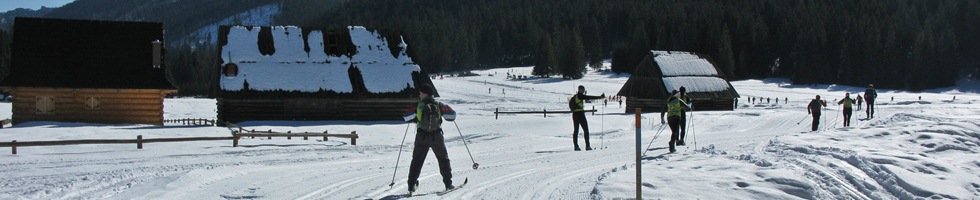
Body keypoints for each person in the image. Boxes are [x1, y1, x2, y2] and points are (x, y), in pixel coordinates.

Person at [403, 84, 457, 193]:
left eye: (421, 93)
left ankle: (411, 186)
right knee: (443, 159)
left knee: (417, 161)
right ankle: (448, 184)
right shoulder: (439, 105)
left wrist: (417, 119)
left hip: (421, 137)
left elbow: (406, 118)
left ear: (425, 93)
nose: (419, 95)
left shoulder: (418, 105)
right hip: (436, 136)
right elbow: (452, 116)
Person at [570, 85, 604, 151]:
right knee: (586, 130)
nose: (583, 91)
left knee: (576, 130)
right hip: (580, 114)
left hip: (575, 114)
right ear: (580, 90)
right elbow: (589, 97)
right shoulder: (580, 96)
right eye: (582, 90)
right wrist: (599, 97)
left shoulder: (575, 96)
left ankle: (576, 146)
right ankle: (587, 146)